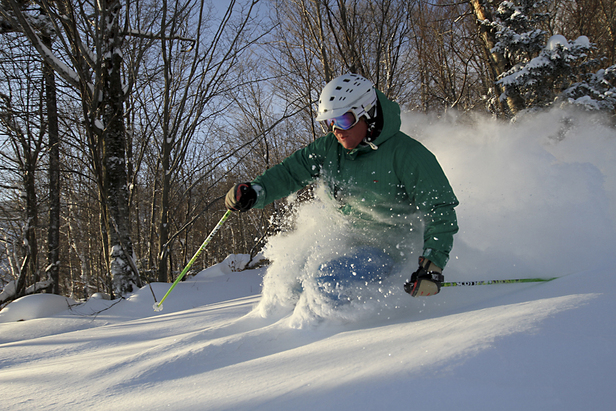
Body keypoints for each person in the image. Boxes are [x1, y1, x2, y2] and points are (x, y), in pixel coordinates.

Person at [225, 73, 458, 298]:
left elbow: (440, 209)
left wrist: (432, 266)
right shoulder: (329, 148)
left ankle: (340, 335)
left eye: (344, 120)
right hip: (343, 239)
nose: (336, 129)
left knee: (326, 284)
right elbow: (290, 173)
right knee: (291, 284)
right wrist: (256, 192)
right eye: (331, 122)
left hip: (388, 248)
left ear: (369, 114)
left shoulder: (408, 154)